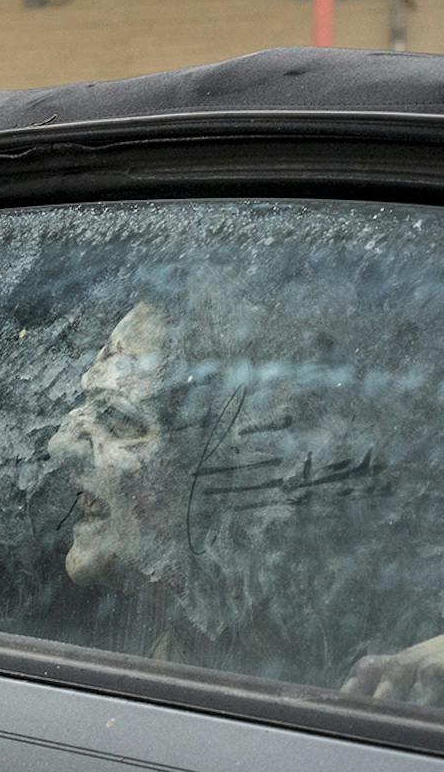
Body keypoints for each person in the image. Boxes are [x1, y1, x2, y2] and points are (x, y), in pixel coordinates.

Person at [47, 292, 443, 703]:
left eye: (119, 420)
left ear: (231, 470)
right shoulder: (154, 628)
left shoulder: (393, 661)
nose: (62, 445)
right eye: (84, 410)